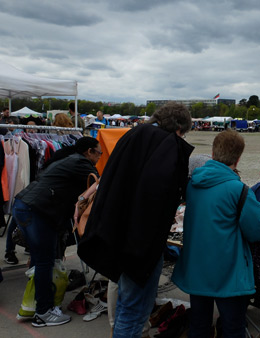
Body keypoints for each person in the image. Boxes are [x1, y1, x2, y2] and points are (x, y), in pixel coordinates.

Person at [77, 102, 194, 338]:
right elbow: (157, 195)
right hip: (139, 244)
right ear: (179, 127)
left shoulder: (134, 134)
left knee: (127, 307)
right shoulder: (166, 144)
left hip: (116, 232)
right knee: (134, 311)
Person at [172, 130, 260, 338]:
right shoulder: (239, 189)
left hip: (197, 267)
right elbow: (259, 230)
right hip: (228, 271)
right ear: (238, 158)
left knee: (199, 325)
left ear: (213, 154)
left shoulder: (193, 184)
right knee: (233, 328)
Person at [12, 137, 101, 327]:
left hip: (26, 205)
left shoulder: (66, 159)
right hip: (37, 210)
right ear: (89, 152)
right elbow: (98, 186)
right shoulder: (82, 164)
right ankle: (43, 312)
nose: (100, 157)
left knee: (40, 260)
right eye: (99, 153)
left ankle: (33, 305)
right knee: (45, 261)